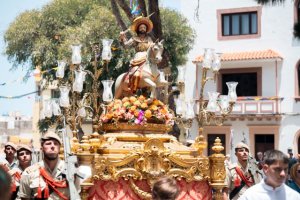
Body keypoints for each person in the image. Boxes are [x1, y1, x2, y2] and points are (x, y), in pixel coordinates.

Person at [17, 132, 80, 199]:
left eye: (56, 144)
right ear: (42, 148)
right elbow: (24, 197)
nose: (52, 146)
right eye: (48, 143)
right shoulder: (29, 172)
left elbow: (76, 196)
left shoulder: (71, 171)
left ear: (59, 148)